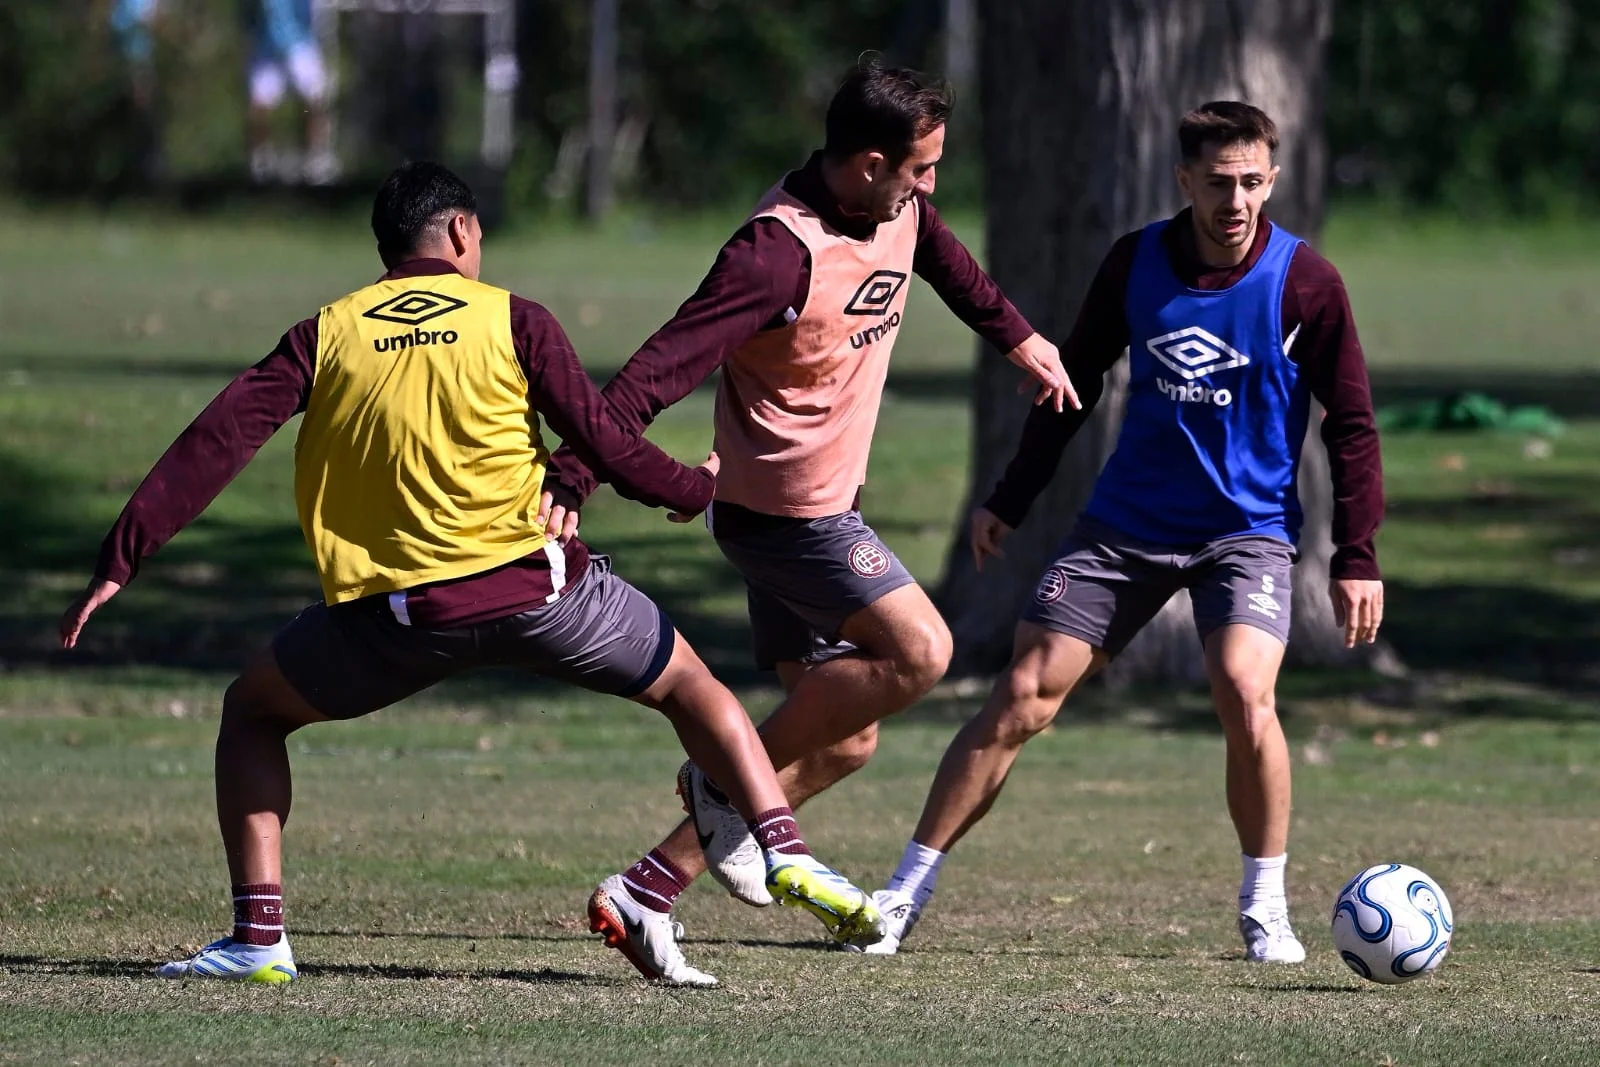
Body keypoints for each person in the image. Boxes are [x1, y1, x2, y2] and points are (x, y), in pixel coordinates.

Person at [57, 161, 880, 989]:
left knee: (252, 709)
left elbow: (217, 438)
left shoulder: (327, 333)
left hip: (401, 621)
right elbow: (604, 439)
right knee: (695, 690)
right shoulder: (512, 318)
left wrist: (121, 557)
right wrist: (692, 486)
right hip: (549, 596)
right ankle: (784, 847)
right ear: (460, 232)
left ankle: (258, 938)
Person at [539, 57, 1074, 965]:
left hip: (810, 512)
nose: (930, 187)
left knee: (845, 738)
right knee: (922, 651)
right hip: (788, 520)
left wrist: (1022, 340)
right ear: (867, 163)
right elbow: (658, 367)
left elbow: (950, 264)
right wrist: (574, 476)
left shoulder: (897, 211)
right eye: (920, 168)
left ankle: (647, 888)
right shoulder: (773, 254)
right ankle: (717, 783)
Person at [864, 101, 1385, 963]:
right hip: (1126, 528)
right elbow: (1072, 380)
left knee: (1244, 690)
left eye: (1253, 181)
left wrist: (1356, 555)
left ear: (1274, 180)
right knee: (1024, 693)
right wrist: (1011, 496)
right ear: (1184, 180)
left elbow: (1354, 424)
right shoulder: (1135, 264)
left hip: (1244, 532)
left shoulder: (1306, 283)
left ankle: (1266, 908)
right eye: (1218, 182)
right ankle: (903, 890)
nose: (1236, 200)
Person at [246, 0, 336, 185]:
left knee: (314, 100)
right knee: (259, 105)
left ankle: (317, 159)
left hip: (299, 41)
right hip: (268, 44)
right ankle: (261, 162)